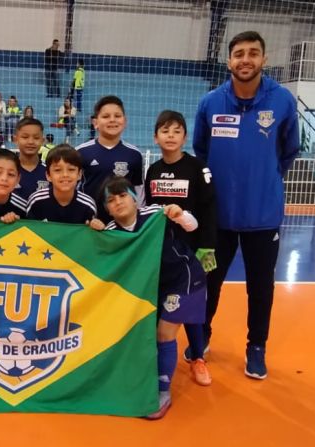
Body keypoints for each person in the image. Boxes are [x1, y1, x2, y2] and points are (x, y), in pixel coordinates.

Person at [192, 31, 300, 380]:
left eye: (253, 53)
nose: (246, 60)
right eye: (239, 54)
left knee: (261, 287)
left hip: (263, 215)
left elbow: (289, 150)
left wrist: (264, 177)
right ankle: (201, 334)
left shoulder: (282, 100)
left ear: (264, 60)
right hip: (217, 217)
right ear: (229, 61)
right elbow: (202, 151)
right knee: (208, 281)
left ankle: (257, 347)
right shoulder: (210, 103)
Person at [97, 176, 205, 419]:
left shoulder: (156, 214)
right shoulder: (111, 232)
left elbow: (193, 226)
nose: (118, 202)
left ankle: (163, 392)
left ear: (135, 199)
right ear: (106, 209)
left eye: (123, 196)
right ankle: (143, 380)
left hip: (183, 279)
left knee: (164, 335)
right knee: (141, 332)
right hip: (151, 287)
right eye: (111, 200)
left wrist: (180, 214)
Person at [145, 110, 216, 386]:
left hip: (195, 251)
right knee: (166, 305)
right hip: (162, 253)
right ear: (155, 137)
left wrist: (208, 248)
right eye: (165, 131)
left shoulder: (199, 168)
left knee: (192, 307)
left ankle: (197, 357)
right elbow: (149, 211)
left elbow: (210, 210)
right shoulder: (153, 171)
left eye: (176, 131)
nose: (170, 136)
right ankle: (157, 357)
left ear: (185, 137)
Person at [76, 95, 144, 223]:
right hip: (88, 223)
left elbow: (138, 192)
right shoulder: (81, 152)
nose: (112, 120)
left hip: (122, 225)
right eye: (106, 116)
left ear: (125, 121)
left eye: (117, 116)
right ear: (95, 123)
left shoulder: (134, 154)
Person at [26, 144, 98, 225]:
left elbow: (90, 236)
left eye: (71, 169)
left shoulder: (88, 205)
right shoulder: (36, 201)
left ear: (79, 174)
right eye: (57, 170)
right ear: (48, 175)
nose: (65, 175)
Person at [13, 117, 48, 199]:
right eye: (25, 137)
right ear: (15, 140)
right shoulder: (7, 171)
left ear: (42, 141)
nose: (31, 142)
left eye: (36, 138)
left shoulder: (49, 171)